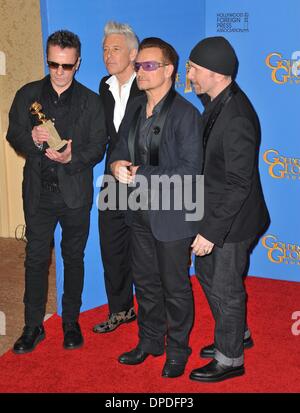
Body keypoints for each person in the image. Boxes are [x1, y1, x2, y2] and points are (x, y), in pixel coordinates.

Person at [6, 30, 107, 354]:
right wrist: (33, 140)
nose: (59, 72)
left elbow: (97, 147)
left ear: (77, 63)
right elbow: (13, 134)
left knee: (73, 258)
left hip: (74, 193)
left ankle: (70, 323)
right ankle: (32, 326)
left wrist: (71, 157)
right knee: (35, 260)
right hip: (38, 192)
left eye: (66, 65)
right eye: (53, 64)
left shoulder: (91, 101)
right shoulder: (27, 95)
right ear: (47, 60)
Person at [109, 37, 203, 378]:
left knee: (174, 286)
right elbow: (119, 146)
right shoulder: (135, 107)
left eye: (150, 66)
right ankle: (150, 341)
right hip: (138, 212)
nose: (142, 71)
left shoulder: (186, 114)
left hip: (173, 216)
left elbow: (191, 171)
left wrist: (139, 173)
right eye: (139, 66)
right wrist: (117, 164)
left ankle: (178, 348)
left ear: (169, 71)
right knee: (145, 282)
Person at [187, 36, 270, 382]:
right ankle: (238, 334)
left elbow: (239, 184)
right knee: (207, 275)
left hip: (234, 220)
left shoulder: (235, 117)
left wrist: (210, 231)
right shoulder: (217, 100)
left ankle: (231, 358)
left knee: (225, 286)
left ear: (216, 73)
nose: (188, 75)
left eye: (193, 69)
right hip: (218, 211)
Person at [93, 21, 144, 334]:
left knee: (147, 255)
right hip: (112, 180)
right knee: (112, 250)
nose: (108, 55)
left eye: (115, 49)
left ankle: (154, 318)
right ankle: (121, 310)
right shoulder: (104, 86)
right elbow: (105, 136)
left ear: (133, 53)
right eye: (105, 49)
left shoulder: (150, 83)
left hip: (144, 180)